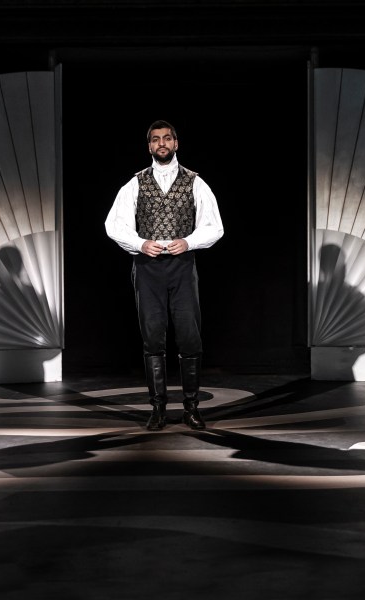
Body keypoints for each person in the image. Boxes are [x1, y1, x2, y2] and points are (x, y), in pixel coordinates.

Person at [105, 120, 224, 431]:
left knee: (189, 336)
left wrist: (189, 241)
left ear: (176, 143)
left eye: (167, 138)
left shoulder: (195, 182)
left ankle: (191, 408)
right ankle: (157, 409)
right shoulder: (135, 183)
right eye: (156, 139)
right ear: (149, 146)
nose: (162, 143)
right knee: (153, 338)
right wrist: (140, 244)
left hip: (182, 266)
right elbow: (114, 225)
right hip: (148, 268)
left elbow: (214, 226)